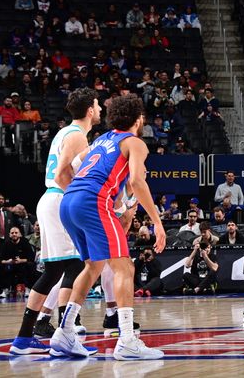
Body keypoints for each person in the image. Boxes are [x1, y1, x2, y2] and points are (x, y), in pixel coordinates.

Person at [49, 94, 166, 360]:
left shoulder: (100, 140)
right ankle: (127, 340)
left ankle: (65, 332)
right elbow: (137, 181)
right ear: (138, 120)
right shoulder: (134, 142)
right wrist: (157, 223)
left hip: (68, 202)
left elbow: (66, 171)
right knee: (124, 266)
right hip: (92, 203)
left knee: (93, 266)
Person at [10, 88, 102, 355]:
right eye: (97, 105)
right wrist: (79, 201)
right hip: (60, 199)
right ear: (89, 110)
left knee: (53, 271)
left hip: (52, 199)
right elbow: (63, 174)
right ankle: (66, 335)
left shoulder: (67, 132)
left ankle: (24, 338)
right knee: (76, 265)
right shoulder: (76, 136)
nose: (100, 109)